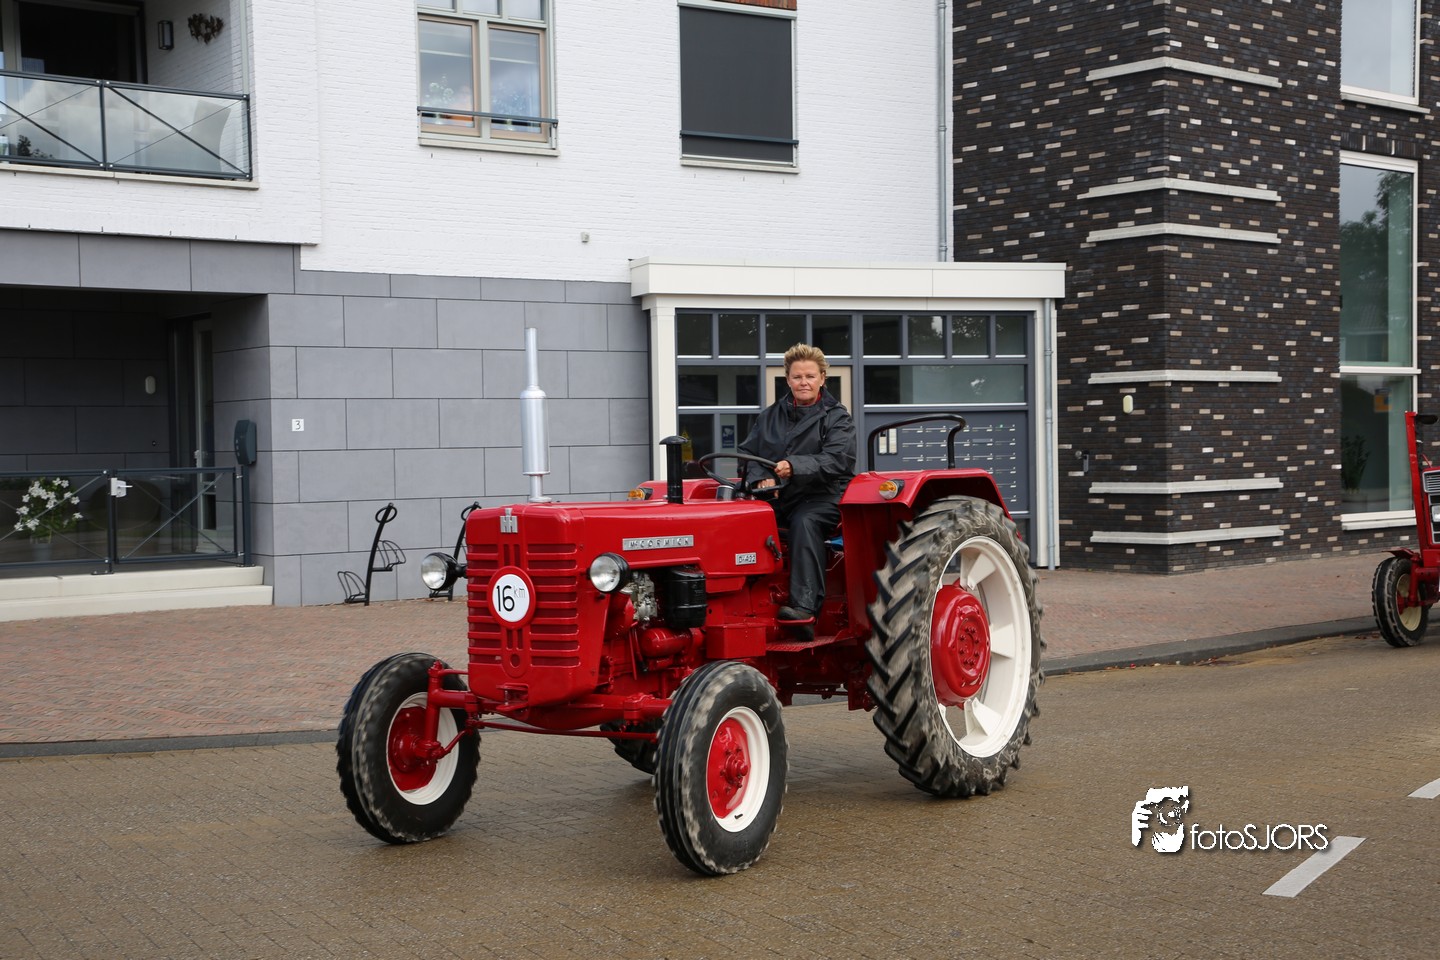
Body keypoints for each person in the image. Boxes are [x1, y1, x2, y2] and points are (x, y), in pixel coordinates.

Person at [738, 343, 856, 623]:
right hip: (779, 497)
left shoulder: (837, 418)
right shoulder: (769, 416)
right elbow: (747, 455)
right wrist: (760, 477)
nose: (804, 382)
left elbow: (837, 460)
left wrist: (794, 466)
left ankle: (804, 609)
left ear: (822, 378)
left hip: (825, 496)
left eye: (810, 376)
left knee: (805, 521)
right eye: (797, 377)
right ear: (788, 379)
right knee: (742, 518)